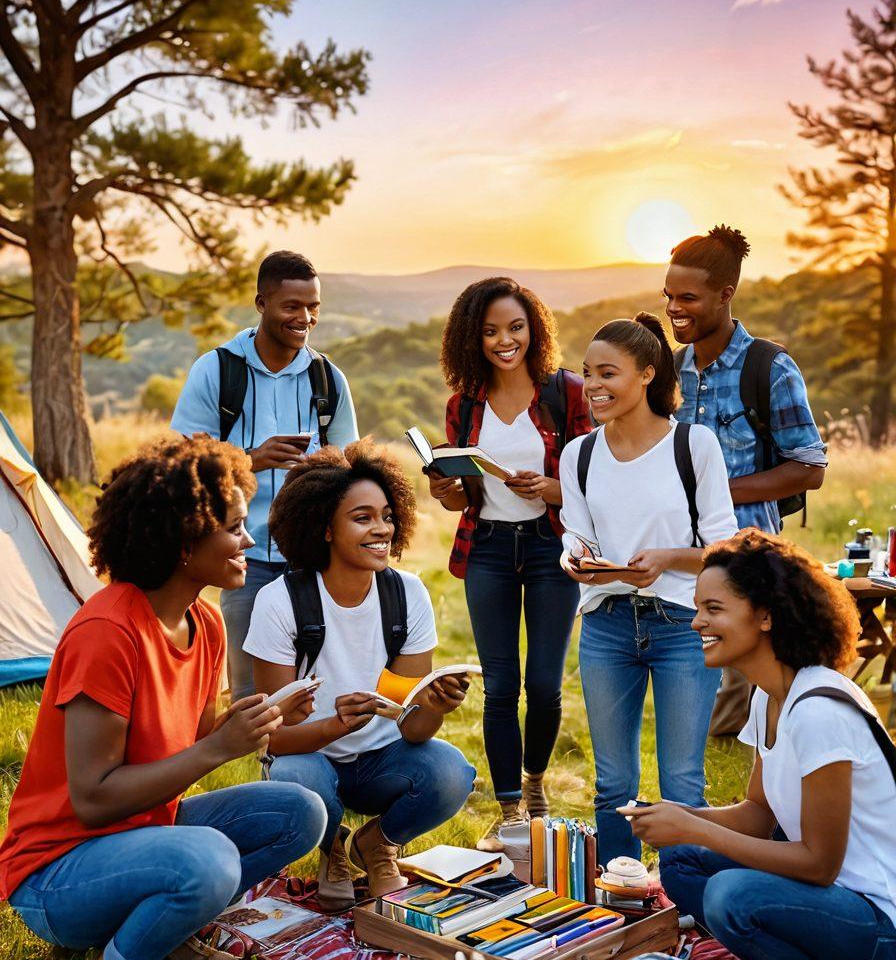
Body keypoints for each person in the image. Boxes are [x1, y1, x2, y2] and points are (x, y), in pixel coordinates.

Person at [0, 438, 326, 960]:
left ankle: (165, 940)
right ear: (185, 543)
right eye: (234, 530)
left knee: (299, 811)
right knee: (207, 862)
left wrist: (259, 719)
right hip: (56, 872)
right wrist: (216, 748)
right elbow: (93, 801)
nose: (249, 543)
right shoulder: (107, 632)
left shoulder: (205, 623)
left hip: (143, 834)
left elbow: (199, 734)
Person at [631, 530, 896, 960]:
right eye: (697, 608)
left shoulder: (819, 710)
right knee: (680, 859)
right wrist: (678, 817)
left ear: (767, 616)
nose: (696, 623)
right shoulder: (769, 696)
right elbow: (757, 813)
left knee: (731, 895)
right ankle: (782, 955)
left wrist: (693, 825)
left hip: (879, 923)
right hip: (829, 900)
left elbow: (819, 863)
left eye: (713, 609)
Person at [245, 439, 476, 911]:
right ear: (325, 528)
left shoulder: (407, 595)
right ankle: (333, 847)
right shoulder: (279, 601)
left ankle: (376, 843)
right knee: (294, 777)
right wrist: (334, 726)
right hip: (308, 756)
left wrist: (430, 705)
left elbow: (411, 728)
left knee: (451, 771)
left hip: (381, 760)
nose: (382, 529)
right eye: (363, 517)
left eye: (388, 516)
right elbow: (270, 739)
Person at [558, 313, 738, 867]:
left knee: (682, 782)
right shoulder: (578, 455)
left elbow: (724, 548)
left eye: (607, 373)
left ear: (646, 375)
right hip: (607, 624)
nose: (593, 387)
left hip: (683, 625)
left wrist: (666, 560)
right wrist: (575, 555)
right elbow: (578, 530)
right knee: (613, 784)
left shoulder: (694, 445)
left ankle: (687, 896)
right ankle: (620, 896)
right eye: (587, 373)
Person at [427, 277, 591, 852]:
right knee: (501, 686)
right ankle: (508, 807)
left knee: (544, 685)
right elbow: (459, 496)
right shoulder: (464, 404)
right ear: (472, 338)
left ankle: (536, 780)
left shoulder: (566, 393)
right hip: (489, 549)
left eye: (516, 327)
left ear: (534, 328)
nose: (505, 340)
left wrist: (551, 488)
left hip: (551, 548)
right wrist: (447, 490)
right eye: (492, 330)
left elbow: (595, 480)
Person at [171, 250, 359, 701]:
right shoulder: (216, 370)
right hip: (243, 558)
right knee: (251, 690)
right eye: (292, 306)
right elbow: (182, 463)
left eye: (313, 307)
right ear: (261, 303)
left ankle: (306, 766)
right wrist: (251, 459)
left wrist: (325, 466)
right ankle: (256, 769)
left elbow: (349, 466)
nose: (306, 318)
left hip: (312, 555)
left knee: (318, 681)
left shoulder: (328, 378)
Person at [664, 225, 827, 736]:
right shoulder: (670, 372)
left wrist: (717, 490)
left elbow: (809, 467)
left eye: (688, 298)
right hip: (679, 559)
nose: (674, 308)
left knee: (737, 703)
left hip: (745, 561)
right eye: (668, 296)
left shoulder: (770, 367)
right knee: (692, 699)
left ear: (724, 294)